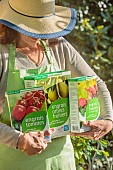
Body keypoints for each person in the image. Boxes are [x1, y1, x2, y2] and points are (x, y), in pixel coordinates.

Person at [0, 0, 113, 170]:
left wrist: (108, 120)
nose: (39, 32)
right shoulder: (2, 55)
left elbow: (96, 83)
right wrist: (19, 140)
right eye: (31, 26)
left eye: (43, 26)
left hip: (62, 160)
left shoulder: (57, 45)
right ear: (13, 23)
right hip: (16, 161)